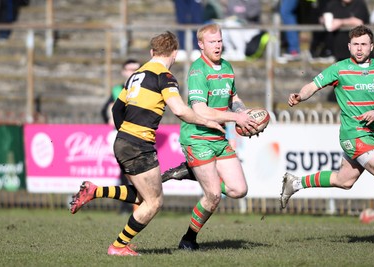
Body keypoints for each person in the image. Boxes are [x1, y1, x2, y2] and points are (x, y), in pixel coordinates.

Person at [70, 31, 226, 256]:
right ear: (174, 53)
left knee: (145, 197)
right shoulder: (165, 76)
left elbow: (116, 109)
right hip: (138, 144)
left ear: (152, 52)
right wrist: (208, 122)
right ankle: (118, 246)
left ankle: (95, 191)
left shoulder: (136, 74)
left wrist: (125, 133)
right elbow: (180, 110)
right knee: (154, 203)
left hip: (123, 140)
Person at [175, 23, 258, 251]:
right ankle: (188, 239)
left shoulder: (227, 67)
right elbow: (200, 110)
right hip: (198, 139)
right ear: (201, 44)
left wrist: (243, 112)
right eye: (212, 42)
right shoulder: (198, 70)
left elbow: (234, 97)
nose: (218, 45)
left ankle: (194, 172)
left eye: (220, 41)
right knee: (212, 195)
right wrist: (234, 118)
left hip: (218, 138)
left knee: (238, 190)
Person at [280, 25, 374, 210]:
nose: (359, 48)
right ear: (349, 46)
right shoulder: (339, 69)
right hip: (354, 134)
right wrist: (300, 96)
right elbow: (312, 86)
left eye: (364, 44)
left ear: (372, 47)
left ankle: (295, 183)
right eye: (355, 44)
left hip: (373, 134)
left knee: (345, 181)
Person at [100, 58, 140, 214]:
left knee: (135, 171)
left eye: (136, 69)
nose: (133, 72)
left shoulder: (143, 88)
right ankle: (126, 206)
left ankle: (137, 204)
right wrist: (110, 119)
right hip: (124, 136)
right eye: (130, 69)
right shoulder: (117, 90)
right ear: (124, 71)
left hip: (138, 135)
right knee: (127, 170)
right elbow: (106, 110)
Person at [320, 0, 370, 102]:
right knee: (343, 82)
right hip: (340, 52)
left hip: (359, 55)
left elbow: (359, 22)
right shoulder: (333, 4)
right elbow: (324, 18)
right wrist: (325, 20)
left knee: (360, 81)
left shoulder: (359, 4)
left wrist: (341, 22)